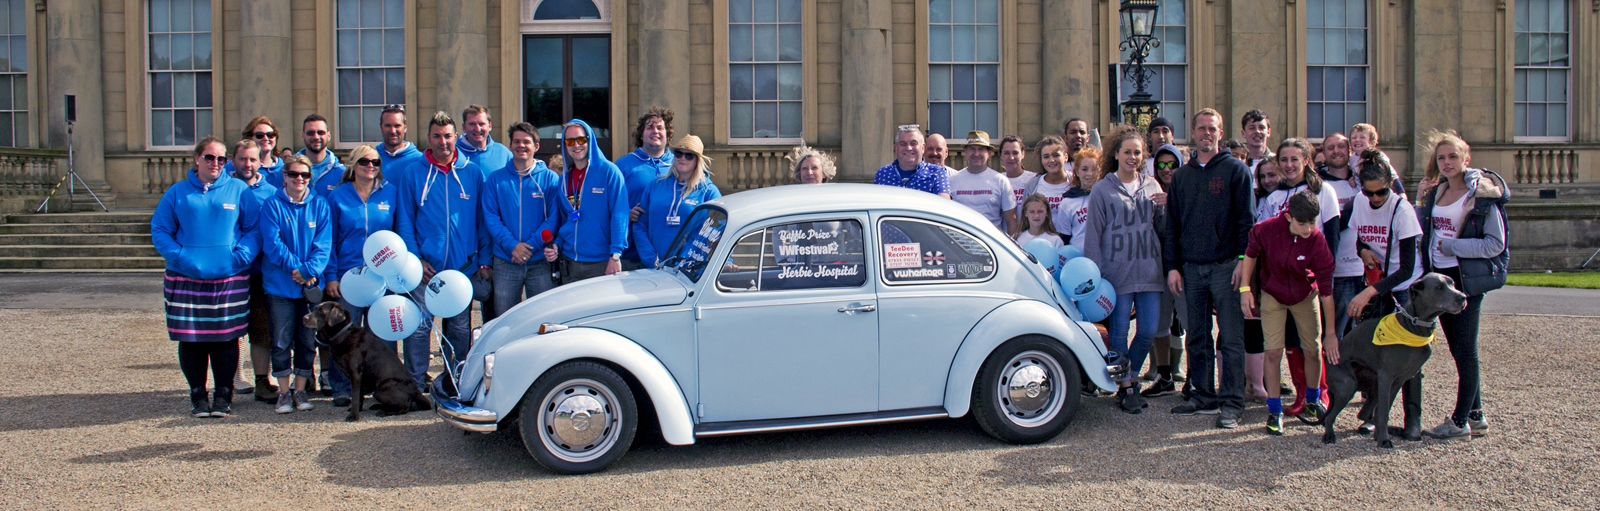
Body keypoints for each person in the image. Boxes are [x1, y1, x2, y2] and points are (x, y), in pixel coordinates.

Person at [151, 136, 263, 418]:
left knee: (225, 338)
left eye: (221, 159)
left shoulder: (239, 190)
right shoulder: (177, 193)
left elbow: (253, 230)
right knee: (192, 339)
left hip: (229, 277)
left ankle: (224, 394)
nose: (216, 163)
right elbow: (160, 230)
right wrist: (180, 257)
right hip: (186, 277)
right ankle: (198, 395)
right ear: (197, 159)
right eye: (210, 157)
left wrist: (238, 258)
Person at [1161, 108, 1254, 429]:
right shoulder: (1183, 177)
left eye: (1212, 128)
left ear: (1220, 132)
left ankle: (1232, 402)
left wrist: (1244, 260)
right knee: (1197, 335)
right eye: (1201, 128)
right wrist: (1172, 267)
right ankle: (1202, 394)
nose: (1206, 133)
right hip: (1191, 269)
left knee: (1230, 338)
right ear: (1193, 132)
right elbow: (1172, 226)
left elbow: (1247, 222)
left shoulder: (1236, 171)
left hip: (1226, 266)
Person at [1417, 131, 1508, 440]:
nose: (1447, 162)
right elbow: (1426, 232)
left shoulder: (1481, 197)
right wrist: (1420, 202)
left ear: (1466, 160)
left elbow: (1495, 244)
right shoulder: (1437, 192)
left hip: (1465, 281)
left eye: (1453, 157)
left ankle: (1459, 422)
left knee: (1467, 352)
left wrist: (1455, 247)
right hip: (1440, 281)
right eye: (1441, 157)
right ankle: (1476, 415)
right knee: (1458, 351)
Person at [393, 112, 490, 392]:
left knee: (459, 330)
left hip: (461, 268)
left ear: (456, 136)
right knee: (420, 327)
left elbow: (481, 222)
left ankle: (455, 379)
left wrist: (483, 259)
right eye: (437, 135)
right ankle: (416, 382)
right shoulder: (413, 172)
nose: (443, 141)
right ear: (428, 138)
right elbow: (405, 221)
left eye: (448, 135)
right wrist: (415, 259)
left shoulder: (472, 173)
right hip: (425, 268)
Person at [1238, 190, 1339, 435]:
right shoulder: (1268, 229)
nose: (1307, 229)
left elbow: (1326, 290)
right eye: (1301, 223)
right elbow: (1250, 254)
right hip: (1274, 294)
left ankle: (1313, 400)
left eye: (1312, 223)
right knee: (1273, 352)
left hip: (1306, 295)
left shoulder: (1317, 240)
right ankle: (1274, 410)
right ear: (1288, 216)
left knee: (1313, 350)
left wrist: (1332, 333)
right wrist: (1245, 289)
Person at [1257, 138, 1343, 417]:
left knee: (1311, 342)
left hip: (1309, 283)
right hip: (1280, 285)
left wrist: (1320, 275)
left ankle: (1320, 395)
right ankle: (1300, 393)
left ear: (1307, 160)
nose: (1289, 165)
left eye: (1295, 159)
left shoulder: (1324, 191)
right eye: (1284, 160)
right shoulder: (1273, 198)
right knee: (1290, 340)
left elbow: (1331, 236)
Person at [1084, 126, 1167, 414]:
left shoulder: (1153, 186)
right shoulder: (1102, 189)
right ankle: (1126, 386)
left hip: (1149, 271)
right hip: (1116, 274)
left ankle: (1126, 373)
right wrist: (1093, 277)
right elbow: (1093, 235)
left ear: (1144, 156)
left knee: (1147, 330)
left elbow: (1164, 229)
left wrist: (1168, 206)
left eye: (1137, 152)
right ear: (1116, 154)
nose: (1132, 157)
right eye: (1127, 152)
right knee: (1118, 331)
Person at [323, 144, 397, 407]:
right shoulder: (338, 197)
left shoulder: (390, 193)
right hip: (349, 277)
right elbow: (328, 240)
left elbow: (397, 237)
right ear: (353, 165)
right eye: (365, 162)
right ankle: (342, 388)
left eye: (376, 162)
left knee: (384, 335)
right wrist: (331, 276)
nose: (371, 166)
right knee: (344, 337)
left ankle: (386, 384)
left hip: (381, 278)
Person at [260, 154, 333, 414]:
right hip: (280, 285)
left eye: (304, 175)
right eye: (294, 174)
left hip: (310, 287)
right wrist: (296, 268)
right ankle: (283, 392)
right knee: (280, 341)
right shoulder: (271, 205)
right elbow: (272, 243)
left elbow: (324, 244)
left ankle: (300, 390)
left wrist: (309, 270)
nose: (299, 179)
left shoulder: (320, 205)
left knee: (307, 340)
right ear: (285, 176)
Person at [483, 122, 562, 316]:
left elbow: (554, 218)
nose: (521, 145)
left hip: (540, 261)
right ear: (510, 146)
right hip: (506, 261)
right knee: (505, 320)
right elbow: (491, 217)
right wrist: (512, 246)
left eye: (526, 142)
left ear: (536, 146)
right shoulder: (495, 179)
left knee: (544, 318)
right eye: (516, 141)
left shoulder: (550, 179)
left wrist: (530, 246)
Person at [1345, 149, 1421, 324]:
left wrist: (1370, 291)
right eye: (1368, 193)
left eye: (1382, 192)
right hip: (1379, 280)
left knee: (1407, 339)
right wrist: (1362, 250)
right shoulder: (1360, 201)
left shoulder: (1402, 211)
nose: (1375, 198)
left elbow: (1407, 269)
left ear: (1390, 183)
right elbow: (1361, 239)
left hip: (1404, 285)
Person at [548, 119, 630, 282]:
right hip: (570, 261)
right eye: (570, 141)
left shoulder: (609, 171)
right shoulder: (563, 179)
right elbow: (565, 220)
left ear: (590, 139)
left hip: (601, 262)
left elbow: (619, 215)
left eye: (581, 140)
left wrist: (615, 255)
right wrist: (557, 244)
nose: (576, 145)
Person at [230, 139, 279, 402]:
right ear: (233, 160)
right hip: (230, 272)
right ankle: (231, 378)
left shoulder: (271, 192)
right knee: (227, 328)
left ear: (260, 161)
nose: (247, 164)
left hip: (262, 271)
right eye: (242, 159)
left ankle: (262, 380)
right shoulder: (225, 189)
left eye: (252, 159)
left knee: (261, 330)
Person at [633, 135, 723, 267]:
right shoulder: (655, 185)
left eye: (689, 155)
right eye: (678, 154)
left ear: (698, 160)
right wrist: (651, 260)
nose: (682, 158)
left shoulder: (709, 191)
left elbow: (719, 230)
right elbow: (640, 225)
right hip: (652, 267)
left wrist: (728, 261)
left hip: (688, 269)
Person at [1141, 143, 1187, 397]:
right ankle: (1165, 375)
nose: (1167, 169)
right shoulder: (1150, 189)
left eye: (1172, 164)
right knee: (1160, 324)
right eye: (1161, 164)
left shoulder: (1189, 187)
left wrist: (1174, 203)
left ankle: (1194, 378)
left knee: (1192, 322)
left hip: (1184, 266)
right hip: (1158, 266)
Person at [618, 107, 676, 271]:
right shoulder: (624, 165)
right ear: (641, 134)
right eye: (649, 127)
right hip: (631, 256)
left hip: (670, 258)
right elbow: (608, 204)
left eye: (660, 128)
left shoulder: (679, 164)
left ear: (668, 134)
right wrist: (626, 213)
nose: (655, 131)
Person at [947, 131, 1017, 234]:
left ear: (989, 153)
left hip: (991, 244)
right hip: (959, 245)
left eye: (981, 149)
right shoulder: (952, 180)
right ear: (965, 152)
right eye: (972, 149)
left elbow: (1012, 222)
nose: (976, 154)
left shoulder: (1000, 181)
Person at [873, 125, 951, 198]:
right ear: (895, 148)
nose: (909, 148)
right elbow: (875, 204)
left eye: (913, 143)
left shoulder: (936, 173)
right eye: (903, 144)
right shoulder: (882, 174)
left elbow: (944, 205)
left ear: (923, 148)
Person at [1053, 147, 1098, 250]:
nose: (1089, 174)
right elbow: (1064, 238)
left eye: (1094, 169)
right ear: (1077, 171)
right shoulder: (1067, 203)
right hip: (1077, 258)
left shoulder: (1106, 198)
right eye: (1084, 169)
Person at [226, 116, 285, 186]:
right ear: (249, 137)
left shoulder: (283, 169)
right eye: (260, 135)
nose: (266, 138)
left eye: (270, 135)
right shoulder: (232, 165)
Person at [457, 104, 514, 175]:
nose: (477, 129)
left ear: (489, 126)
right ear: (464, 127)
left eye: (481, 124)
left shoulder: (503, 153)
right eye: (472, 124)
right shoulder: (454, 153)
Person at [298, 114, 347, 196]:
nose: (316, 137)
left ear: (328, 136)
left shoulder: (342, 173)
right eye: (310, 133)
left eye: (321, 132)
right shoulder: (288, 172)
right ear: (302, 136)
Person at [378, 105, 425, 182]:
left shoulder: (420, 160)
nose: (392, 131)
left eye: (397, 126)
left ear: (405, 127)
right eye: (387, 126)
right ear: (381, 127)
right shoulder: (372, 159)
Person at [993, 135, 1030, 228]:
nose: (1011, 157)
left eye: (1015, 153)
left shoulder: (1033, 180)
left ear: (1023, 154)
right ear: (1001, 155)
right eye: (1006, 153)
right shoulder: (996, 180)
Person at [1240, 109, 1274, 174]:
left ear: (1268, 132)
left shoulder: (1277, 162)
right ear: (1243, 133)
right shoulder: (1237, 162)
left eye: (1261, 127)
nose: (1257, 131)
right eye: (1252, 128)